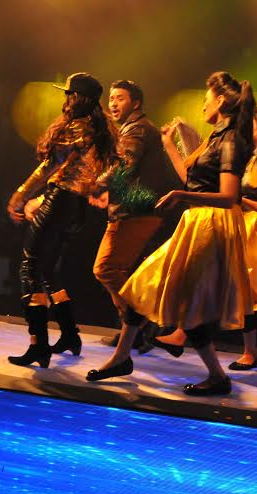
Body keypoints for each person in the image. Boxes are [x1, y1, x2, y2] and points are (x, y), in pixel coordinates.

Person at [85, 71, 255, 396]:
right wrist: (171, 145)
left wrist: (181, 197)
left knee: (188, 303)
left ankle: (216, 376)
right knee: (143, 285)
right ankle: (123, 357)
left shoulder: (231, 139)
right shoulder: (216, 136)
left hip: (212, 224)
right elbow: (190, 179)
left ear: (220, 101)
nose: (203, 105)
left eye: (206, 99)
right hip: (197, 221)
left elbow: (229, 195)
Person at [152, 103, 257, 370]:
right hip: (244, 223)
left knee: (240, 288)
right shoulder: (249, 156)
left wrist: (243, 201)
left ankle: (225, 346)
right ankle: (192, 336)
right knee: (234, 288)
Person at [6, 72, 118, 367]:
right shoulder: (99, 128)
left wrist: (20, 194)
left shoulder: (77, 127)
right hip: (75, 206)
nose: (65, 99)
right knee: (47, 271)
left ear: (76, 98)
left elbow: (49, 167)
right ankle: (69, 334)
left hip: (59, 200)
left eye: (68, 94)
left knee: (30, 267)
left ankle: (38, 345)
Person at [88, 80, 176, 353]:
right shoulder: (132, 128)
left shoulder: (137, 129)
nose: (113, 103)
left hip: (134, 212)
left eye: (120, 98)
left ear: (135, 103)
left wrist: (98, 184)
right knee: (117, 270)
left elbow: (124, 163)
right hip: (134, 210)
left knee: (106, 268)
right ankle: (134, 329)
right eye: (111, 98)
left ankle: (138, 324)